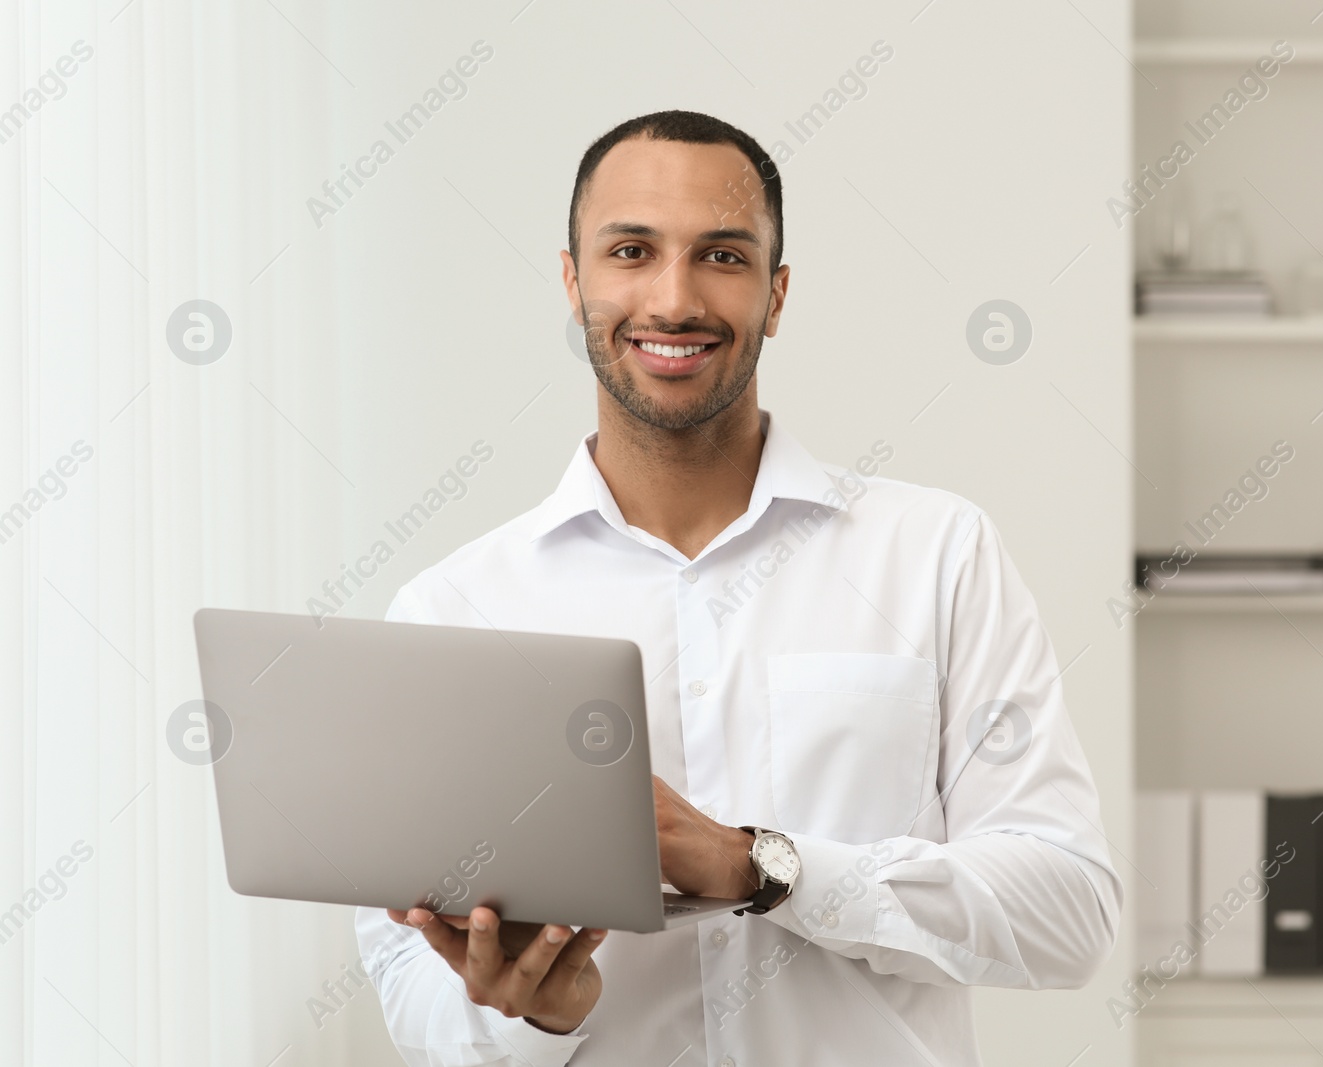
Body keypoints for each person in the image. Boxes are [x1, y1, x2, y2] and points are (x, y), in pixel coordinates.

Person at [355, 109, 1122, 1066]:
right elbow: (408, 985)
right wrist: (538, 1011)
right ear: (572, 279)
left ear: (777, 293)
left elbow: (1070, 909)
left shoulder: (935, 552)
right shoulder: (456, 609)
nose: (673, 300)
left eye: (721, 255)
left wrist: (761, 865)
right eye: (631, 250)